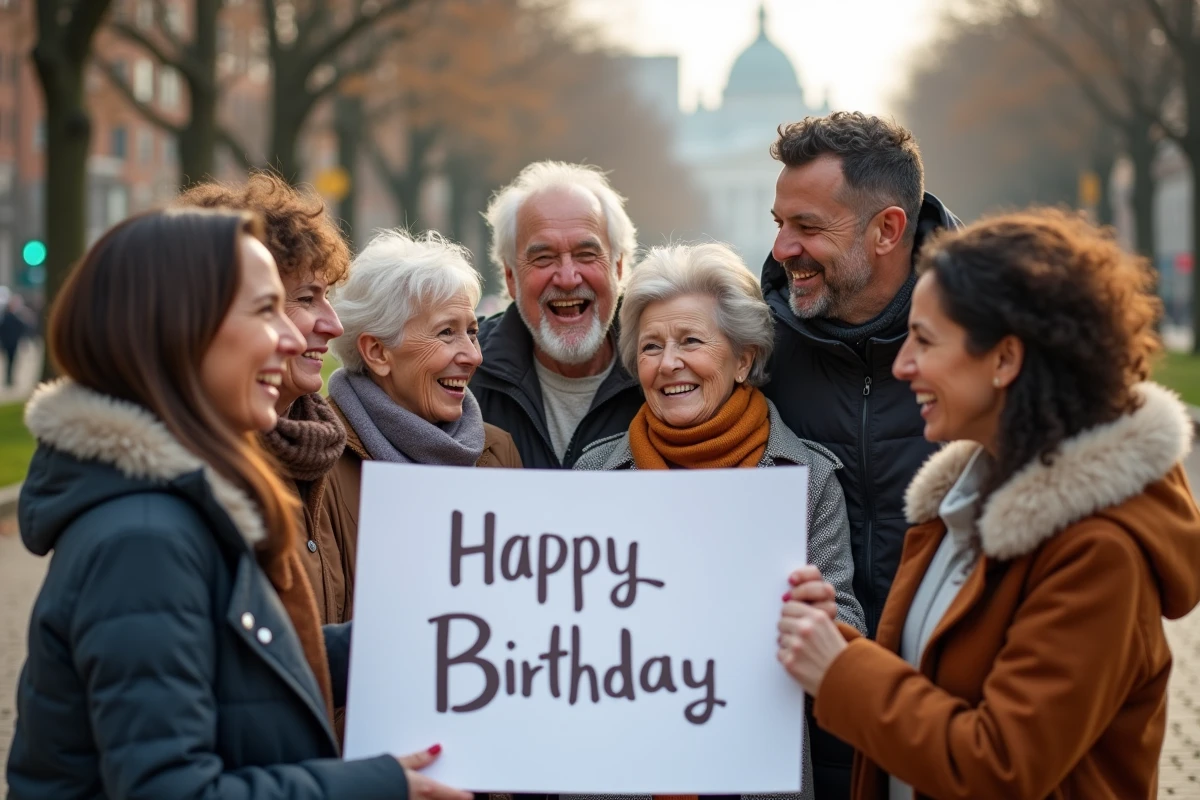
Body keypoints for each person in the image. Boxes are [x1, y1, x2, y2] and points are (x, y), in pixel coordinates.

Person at [6, 209, 472, 800]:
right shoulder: (145, 537)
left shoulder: (180, 501)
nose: (293, 337)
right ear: (180, 330)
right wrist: (377, 783)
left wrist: (402, 640)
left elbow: (238, 668)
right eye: (264, 311)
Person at [776, 209, 1200, 800]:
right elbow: (926, 687)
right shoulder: (960, 506)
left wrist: (839, 670)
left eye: (925, 340)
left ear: (1004, 359)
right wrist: (830, 640)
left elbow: (1001, 766)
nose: (902, 364)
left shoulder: (1100, 551)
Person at [574, 242, 865, 800]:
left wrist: (817, 623)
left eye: (691, 341)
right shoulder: (594, 476)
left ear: (744, 359)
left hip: (751, 775)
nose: (669, 364)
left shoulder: (806, 480)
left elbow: (848, 633)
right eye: (652, 346)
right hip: (620, 774)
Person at [761, 111, 959, 800]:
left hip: (946, 738)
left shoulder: (987, 343)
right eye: (779, 223)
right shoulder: (753, 349)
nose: (782, 247)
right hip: (800, 739)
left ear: (888, 230)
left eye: (808, 226)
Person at [177, 172, 353, 625]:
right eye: (306, 299)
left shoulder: (323, 447)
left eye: (327, 297)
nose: (333, 325)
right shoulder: (186, 480)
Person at [322, 229, 521, 608]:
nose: (474, 356)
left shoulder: (498, 451)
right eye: (446, 333)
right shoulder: (319, 460)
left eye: (472, 332)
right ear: (377, 352)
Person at [472, 161, 644, 469]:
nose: (567, 278)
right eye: (543, 257)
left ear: (618, 268)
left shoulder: (662, 373)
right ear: (511, 278)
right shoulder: (464, 374)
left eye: (586, 254)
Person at [0, 287, 35, 388]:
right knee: (10, 361)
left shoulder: (11, 317)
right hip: (9, 342)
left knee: (11, 361)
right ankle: (9, 378)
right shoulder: (10, 317)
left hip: (11, 342)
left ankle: (9, 378)